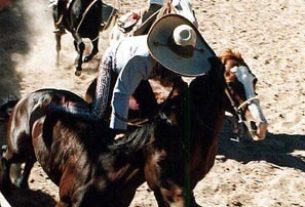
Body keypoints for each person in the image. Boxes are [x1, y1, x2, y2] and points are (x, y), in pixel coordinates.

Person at [50, 14, 215, 138]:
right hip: (114, 62)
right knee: (97, 113)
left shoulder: (168, 54)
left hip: (140, 73)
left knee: (151, 112)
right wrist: (119, 130)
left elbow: (178, 81)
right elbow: (121, 92)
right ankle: (57, 105)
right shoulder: (141, 61)